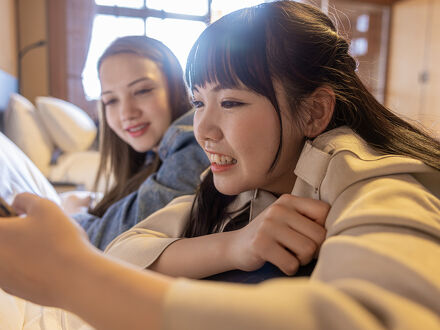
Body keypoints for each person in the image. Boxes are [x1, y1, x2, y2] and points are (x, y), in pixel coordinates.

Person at [0, 1, 439, 329]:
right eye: (198, 102)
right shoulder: (242, 181)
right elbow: (123, 250)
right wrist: (236, 246)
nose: (203, 128)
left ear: (314, 112)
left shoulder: (373, 183)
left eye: (230, 101)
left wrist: (74, 279)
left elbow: (383, 316)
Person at [66, 36, 210, 249]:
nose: (127, 113)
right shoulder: (153, 154)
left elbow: (118, 240)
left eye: (142, 91)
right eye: (111, 100)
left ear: (176, 87)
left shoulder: (194, 140)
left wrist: (71, 217)